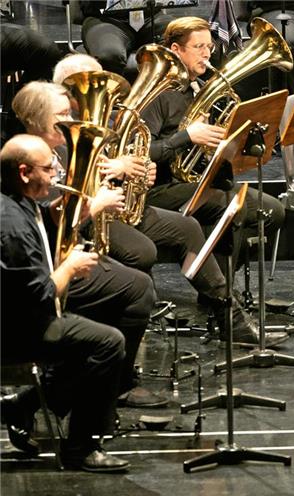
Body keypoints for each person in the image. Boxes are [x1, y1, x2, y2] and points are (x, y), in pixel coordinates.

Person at [49, 53, 265, 346]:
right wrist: (115, 169)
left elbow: (136, 156)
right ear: (68, 90)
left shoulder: (112, 118)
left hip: (123, 205)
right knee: (143, 251)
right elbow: (65, 185)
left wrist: (139, 170)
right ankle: (127, 322)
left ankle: (229, 316)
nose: (103, 91)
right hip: (91, 216)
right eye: (93, 85)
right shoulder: (57, 128)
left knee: (187, 228)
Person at [11, 80, 166, 408]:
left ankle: (96, 381)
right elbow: (45, 229)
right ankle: (112, 383)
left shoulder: (60, 148)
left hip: (66, 252)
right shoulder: (27, 157)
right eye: (62, 114)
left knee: (136, 282)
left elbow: (53, 212)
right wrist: (96, 204)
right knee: (138, 289)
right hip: (50, 267)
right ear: (38, 120)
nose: (70, 120)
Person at [1, 134, 129, 472]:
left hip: (23, 316)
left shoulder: (16, 201)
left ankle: (23, 404)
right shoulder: (10, 226)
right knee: (108, 342)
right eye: (49, 168)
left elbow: (42, 221)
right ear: (25, 172)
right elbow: (39, 295)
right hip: (15, 331)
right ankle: (81, 448)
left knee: (92, 335)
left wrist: (63, 211)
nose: (57, 172)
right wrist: (70, 267)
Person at [141, 16, 286, 273]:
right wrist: (187, 137)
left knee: (271, 210)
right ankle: (217, 292)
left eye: (210, 47)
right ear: (176, 50)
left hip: (200, 183)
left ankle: (219, 280)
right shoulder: (157, 93)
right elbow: (142, 152)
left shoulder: (202, 89)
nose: (207, 54)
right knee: (234, 207)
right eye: (199, 48)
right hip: (161, 188)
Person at [78, 0, 175, 76]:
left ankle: (171, 97)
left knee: (181, 36)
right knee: (109, 54)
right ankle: (116, 97)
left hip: (151, 15)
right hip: (105, 19)